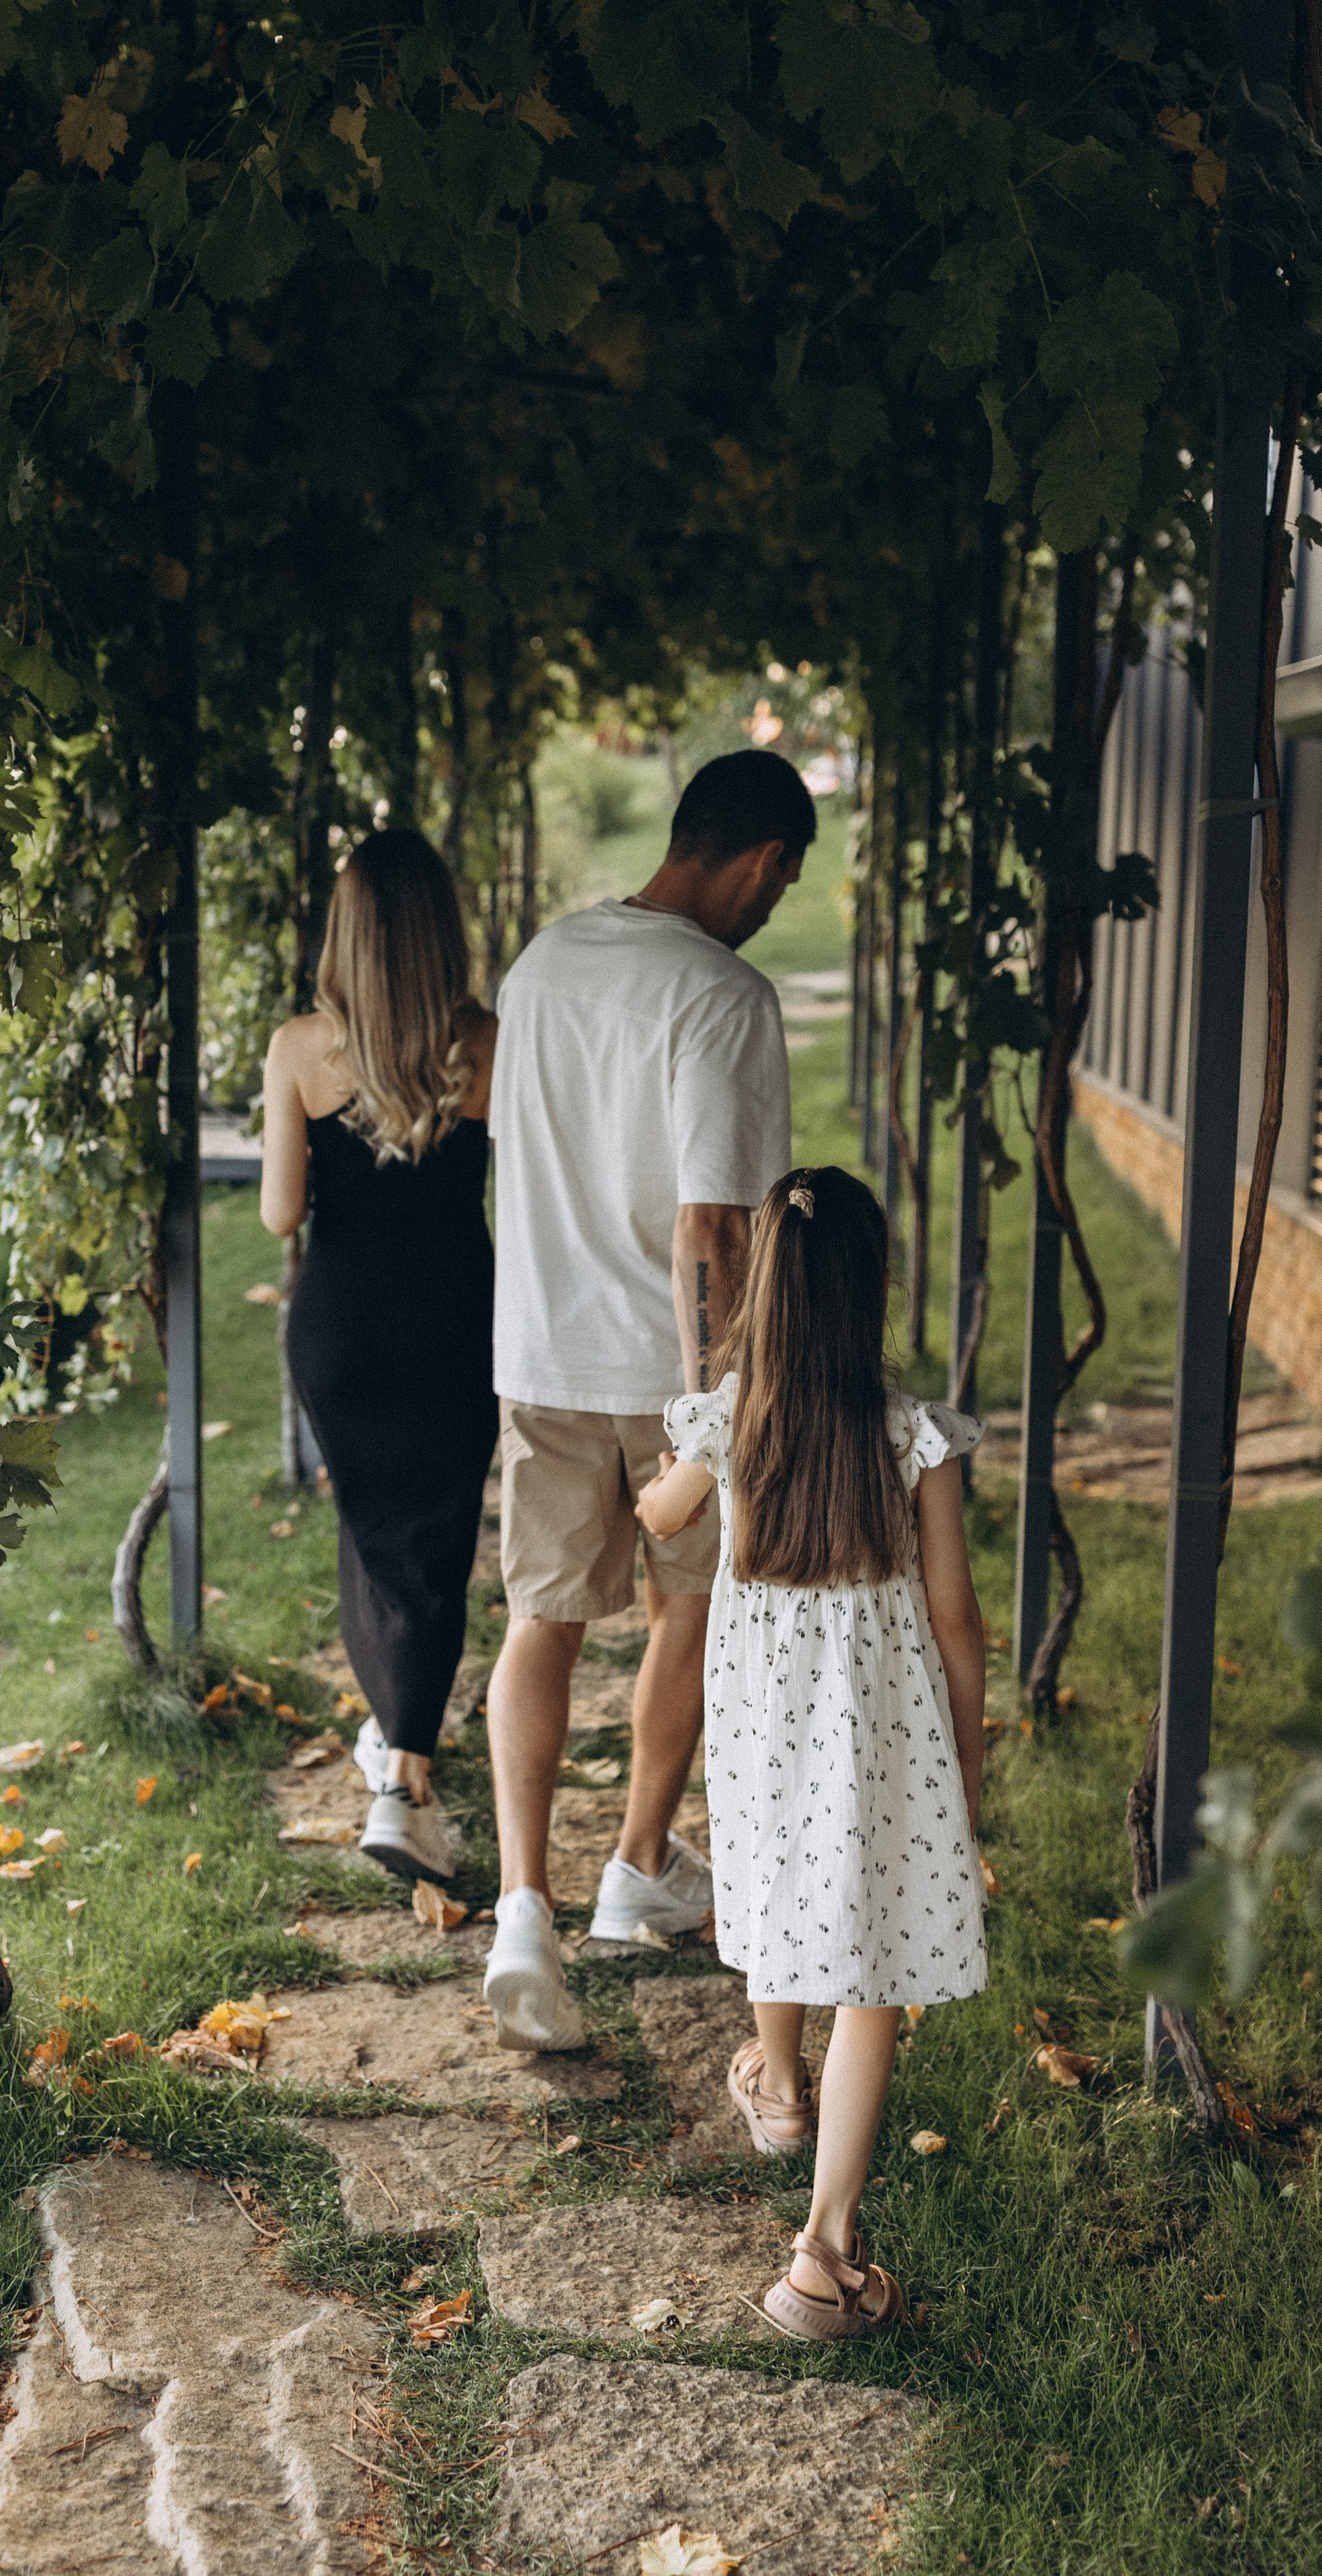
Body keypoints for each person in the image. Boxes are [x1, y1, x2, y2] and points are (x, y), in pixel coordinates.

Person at [481, 748, 816, 2051]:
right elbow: (707, 1224)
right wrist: (713, 1403)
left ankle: (524, 1906)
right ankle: (634, 1864)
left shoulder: (542, 964)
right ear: (761, 860)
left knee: (538, 1622)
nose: (776, 906)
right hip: (661, 1366)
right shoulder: (722, 995)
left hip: (540, 1351)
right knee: (691, 1608)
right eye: (782, 882)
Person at [637, 1164, 988, 2341]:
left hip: (760, 1726)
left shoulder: (733, 1423)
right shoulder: (912, 1440)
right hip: (886, 1734)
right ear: (871, 1291)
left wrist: (699, 1432)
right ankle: (824, 2254)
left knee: (784, 1890)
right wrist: (966, 1773)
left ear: (764, 1296)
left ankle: (779, 2088)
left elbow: (662, 1514)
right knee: (872, 1974)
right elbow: (958, 1627)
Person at [261, 830, 497, 1885]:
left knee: (372, 1527)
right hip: (456, 1314)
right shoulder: (490, 1045)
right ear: (443, 932)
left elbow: (280, 1215)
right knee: (431, 1546)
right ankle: (404, 1772)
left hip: (343, 1324)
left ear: (343, 932)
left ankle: (398, 1754)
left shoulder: (299, 1048)